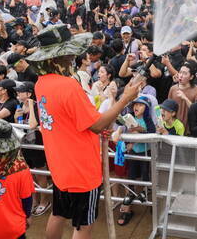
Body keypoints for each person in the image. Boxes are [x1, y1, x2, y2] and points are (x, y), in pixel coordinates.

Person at [26, 24, 144, 239]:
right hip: (81, 169)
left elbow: (71, 121)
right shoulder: (68, 86)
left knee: (58, 213)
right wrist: (125, 98)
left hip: (60, 165)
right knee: (83, 225)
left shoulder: (41, 83)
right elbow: (97, 124)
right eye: (68, 53)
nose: (72, 56)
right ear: (56, 58)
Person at [116, 95, 155, 226]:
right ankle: (130, 198)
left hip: (145, 152)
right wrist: (128, 140)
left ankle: (147, 198)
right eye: (135, 104)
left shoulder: (148, 120)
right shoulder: (129, 118)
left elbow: (152, 133)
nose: (136, 107)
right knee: (131, 176)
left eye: (141, 105)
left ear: (147, 108)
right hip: (133, 152)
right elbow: (120, 125)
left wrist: (140, 131)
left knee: (146, 176)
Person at [14, 81, 51, 217]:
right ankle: (34, 201)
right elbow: (17, 123)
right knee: (30, 175)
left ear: (29, 94)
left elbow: (33, 124)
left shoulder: (37, 106)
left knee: (40, 174)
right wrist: (16, 116)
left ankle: (44, 201)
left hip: (37, 146)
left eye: (20, 91)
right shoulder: (20, 106)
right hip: (25, 145)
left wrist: (30, 104)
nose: (17, 93)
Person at [167, 63, 197, 131]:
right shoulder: (173, 89)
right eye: (180, 72)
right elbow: (168, 109)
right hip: (174, 128)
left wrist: (185, 98)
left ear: (191, 77)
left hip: (190, 129)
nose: (181, 75)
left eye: (185, 73)